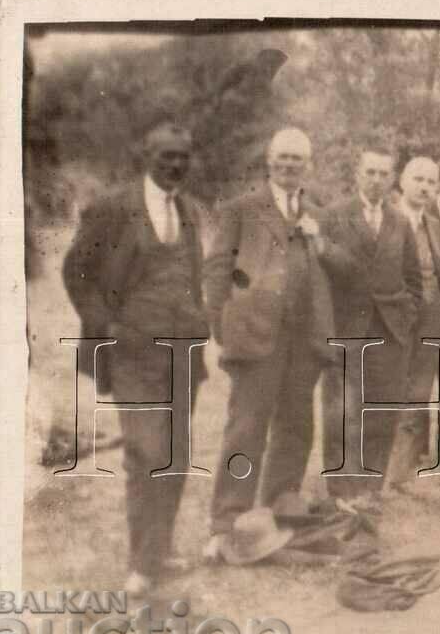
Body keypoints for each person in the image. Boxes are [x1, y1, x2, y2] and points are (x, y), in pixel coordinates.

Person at [63, 120, 210, 596]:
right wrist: (105, 325)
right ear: (148, 156)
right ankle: (141, 564)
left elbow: (189, 273)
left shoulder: (187, 209)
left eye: (183, 156)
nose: (176, 164)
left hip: (182, 353)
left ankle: (159, 550)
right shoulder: (112, 209)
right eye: (167, 155)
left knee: (176, 457)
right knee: (146, 453)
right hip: (132, 354)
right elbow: (75, 272)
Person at [203, 127, 338, 562]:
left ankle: (282, 511)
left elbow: (331, 271)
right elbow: (217, 269)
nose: (289, 165)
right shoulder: (242, 209)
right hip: (256, 337)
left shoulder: (318, 215)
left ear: (308, 165)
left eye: (297, 159)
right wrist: (224, 326)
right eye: (282, 157)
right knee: (245, 430)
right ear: (269, 161)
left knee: (296, 429)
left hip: (303, 341)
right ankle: (228, 522)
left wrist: (322, 243)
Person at [320, 149, 422, 499]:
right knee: (342, 412)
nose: (376, 179)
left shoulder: (400, 221)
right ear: (357, 174)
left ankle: (369, 490)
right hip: (346, 329)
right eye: (370, 172)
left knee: (383, 412)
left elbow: (414, 280)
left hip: (390, 332)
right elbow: (323, 278)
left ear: (391, 179)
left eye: (383, 173)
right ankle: (341, 491)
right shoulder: (333, 216)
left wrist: (405, 319)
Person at [384, 157, 440, 487]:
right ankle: (376, 467)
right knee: (388, 388)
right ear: (402, 182)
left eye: (431, 181)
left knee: (419, 391)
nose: (424, 186)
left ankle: (401, 471)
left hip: (431, 318)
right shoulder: (386, 218)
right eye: (418, 179)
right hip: (394, 317)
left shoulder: (435, 225)